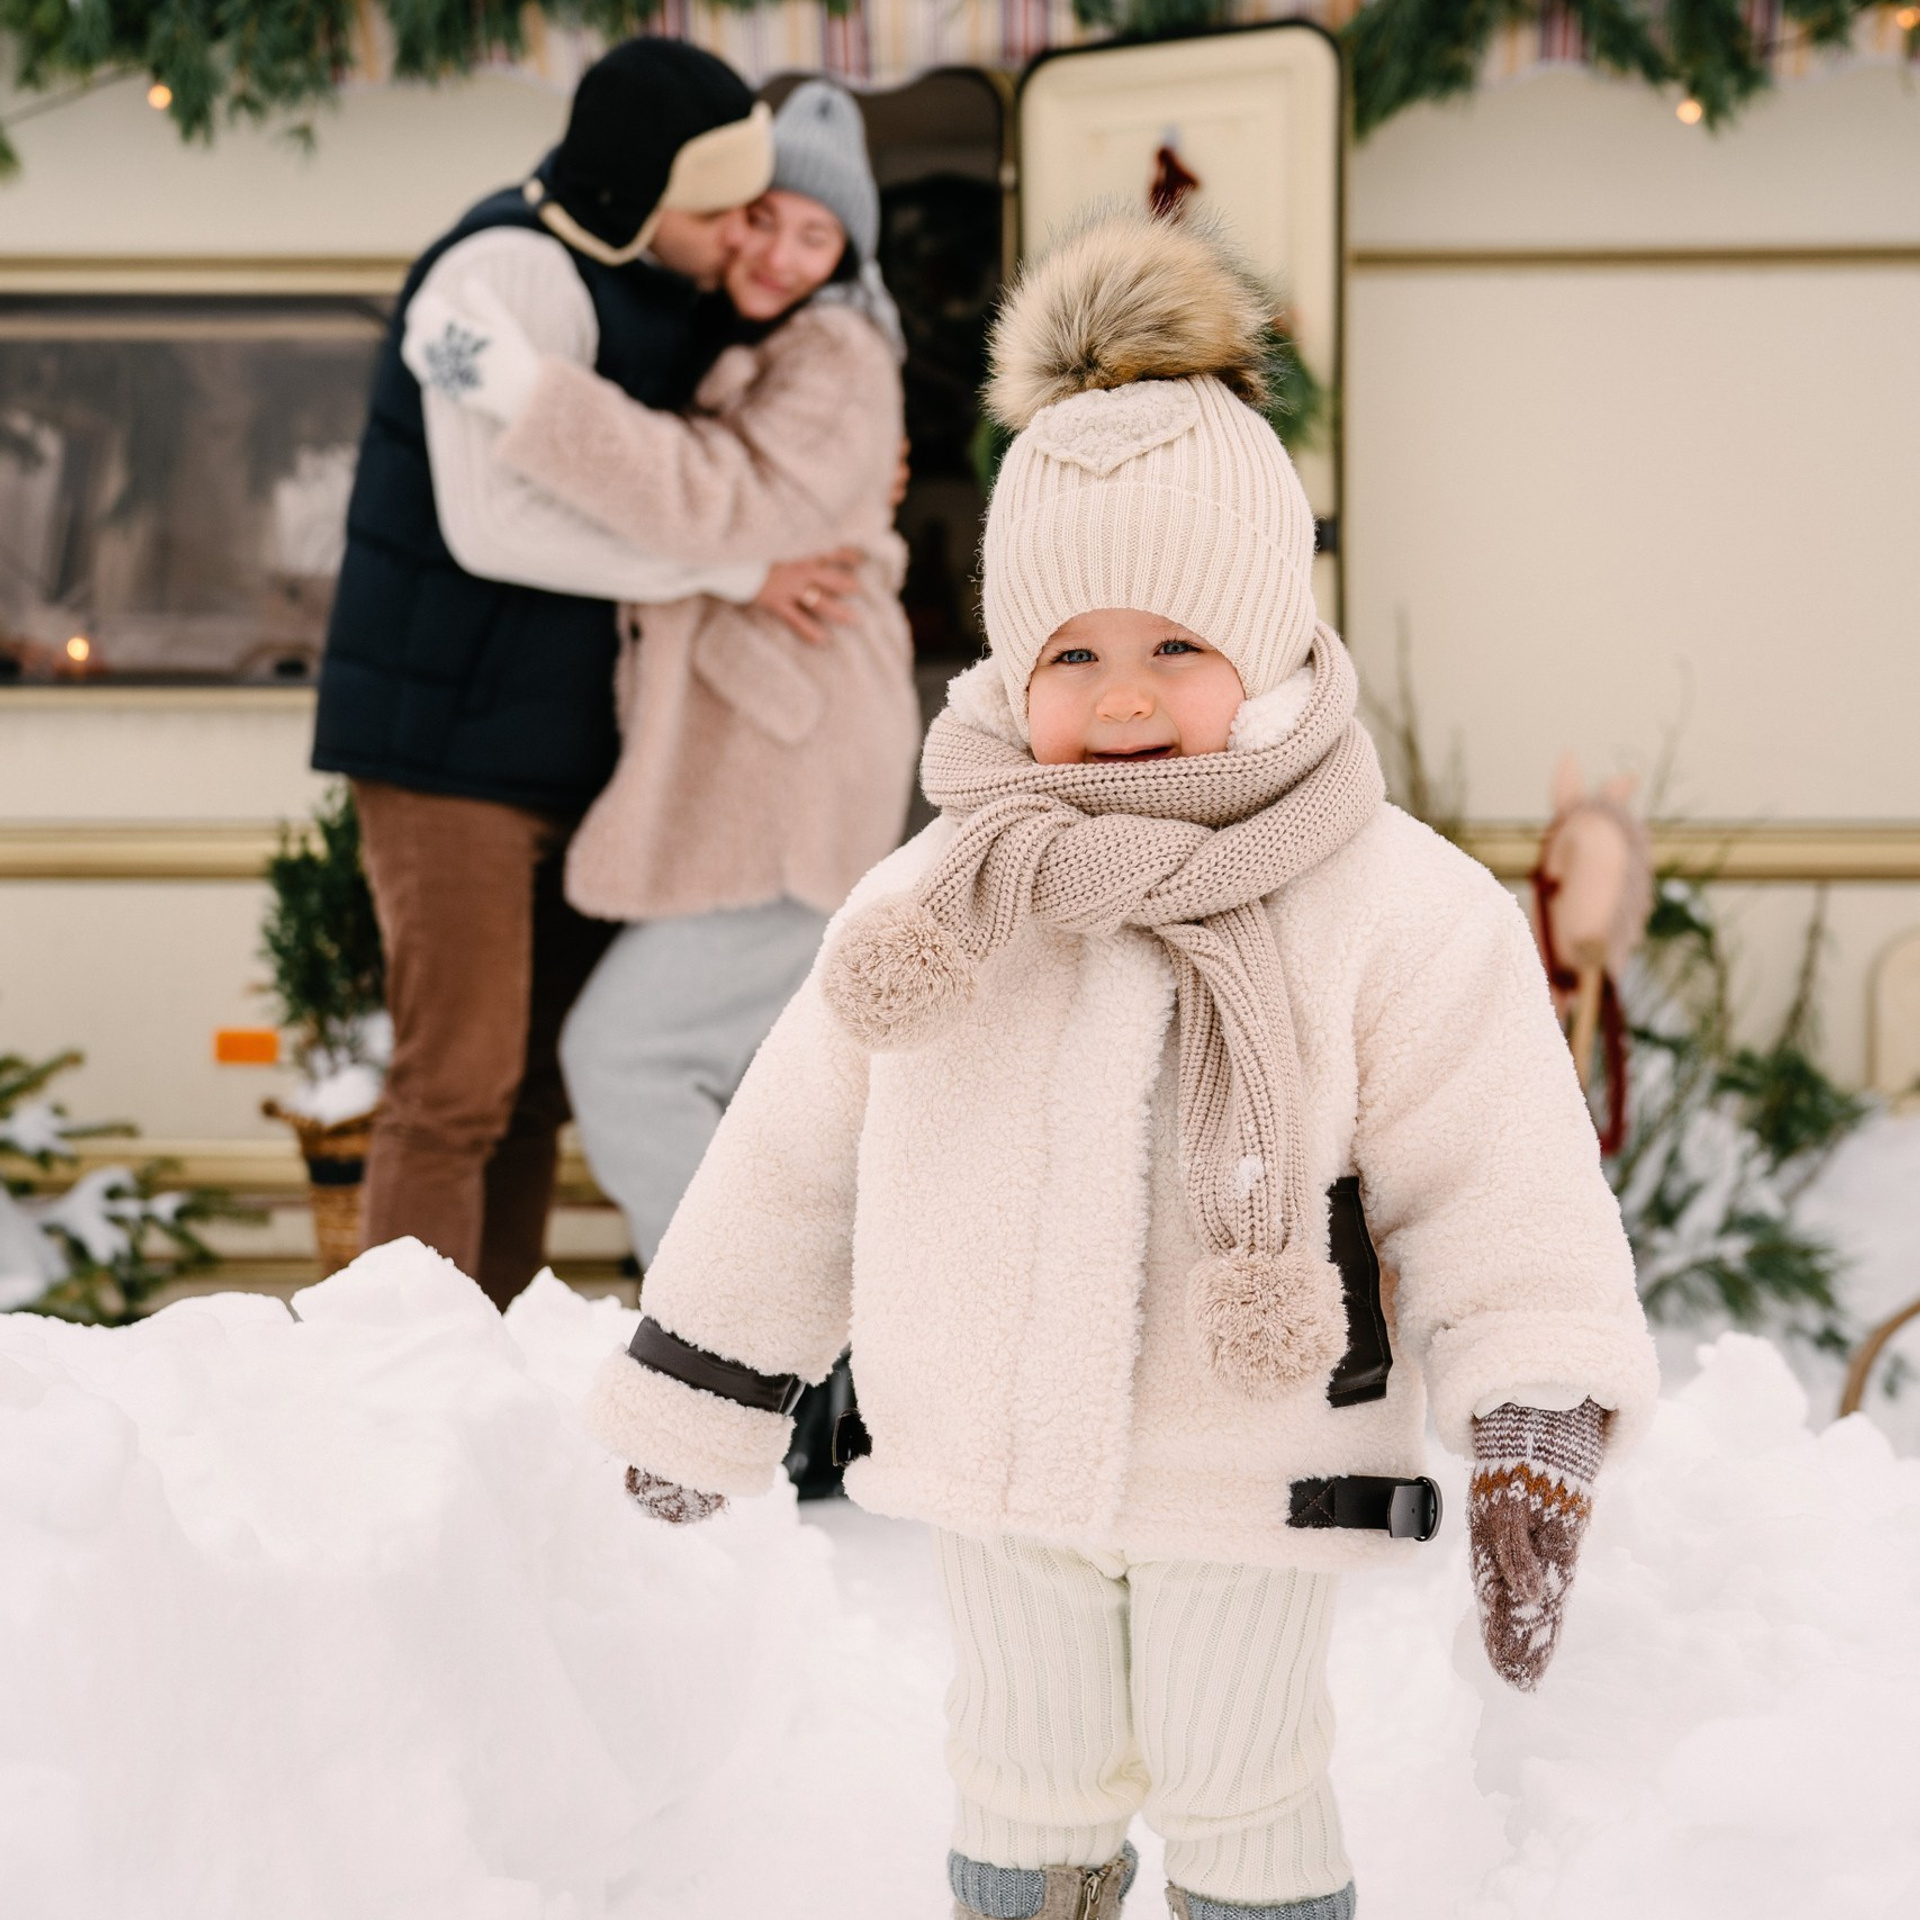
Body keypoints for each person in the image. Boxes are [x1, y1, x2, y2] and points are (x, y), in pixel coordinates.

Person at [577, 211, 1661, 1918]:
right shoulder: (942, 902)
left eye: (1177, 647)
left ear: (1272, 643)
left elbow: (1496, 1171)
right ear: (1012, 667)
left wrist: (1535, 1403)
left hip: (1255, 1447)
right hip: (991, 1448)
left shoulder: (1388, 903)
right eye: (1072, 655)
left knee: (1243, 1775)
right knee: (1021, 1771)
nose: (1126, 698)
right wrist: (704, 1383)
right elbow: (794, 1156)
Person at [406, 80, 920, 1279]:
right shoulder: (749, 347)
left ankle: (733, 1326)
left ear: (850, 258)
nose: (780, 254)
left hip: (786, 777)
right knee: (762, 1095)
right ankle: (811, 1339)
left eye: (816, 236)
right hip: (755, 769)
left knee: (626, 1056)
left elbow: (709, 498)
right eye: (763, 219)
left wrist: (521, 391)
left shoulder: (838, 354)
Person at [312, 39, 791, 1307]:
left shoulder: (657, 282)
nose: (741, 233)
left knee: (531, 1085)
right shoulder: (502, 273)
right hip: (445, 744)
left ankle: (496, 1358)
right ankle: (403, 1370)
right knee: (456, 1082)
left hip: (573, 748)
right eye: (718, 208)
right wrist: (733, 571)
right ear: (639, 195)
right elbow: (495, 530)